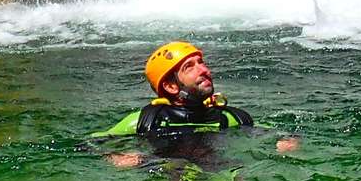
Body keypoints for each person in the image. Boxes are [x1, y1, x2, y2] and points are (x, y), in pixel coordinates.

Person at [93, 41, 298, 167]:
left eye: (202, 62)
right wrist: (114, 156)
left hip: (220, 168)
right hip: (168, 171)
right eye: (190, 67)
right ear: (171, 86)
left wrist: (288, 139)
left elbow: (277, 131)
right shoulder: (145, 120)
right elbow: (88, 144)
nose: (204, 70)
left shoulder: (229, 117)